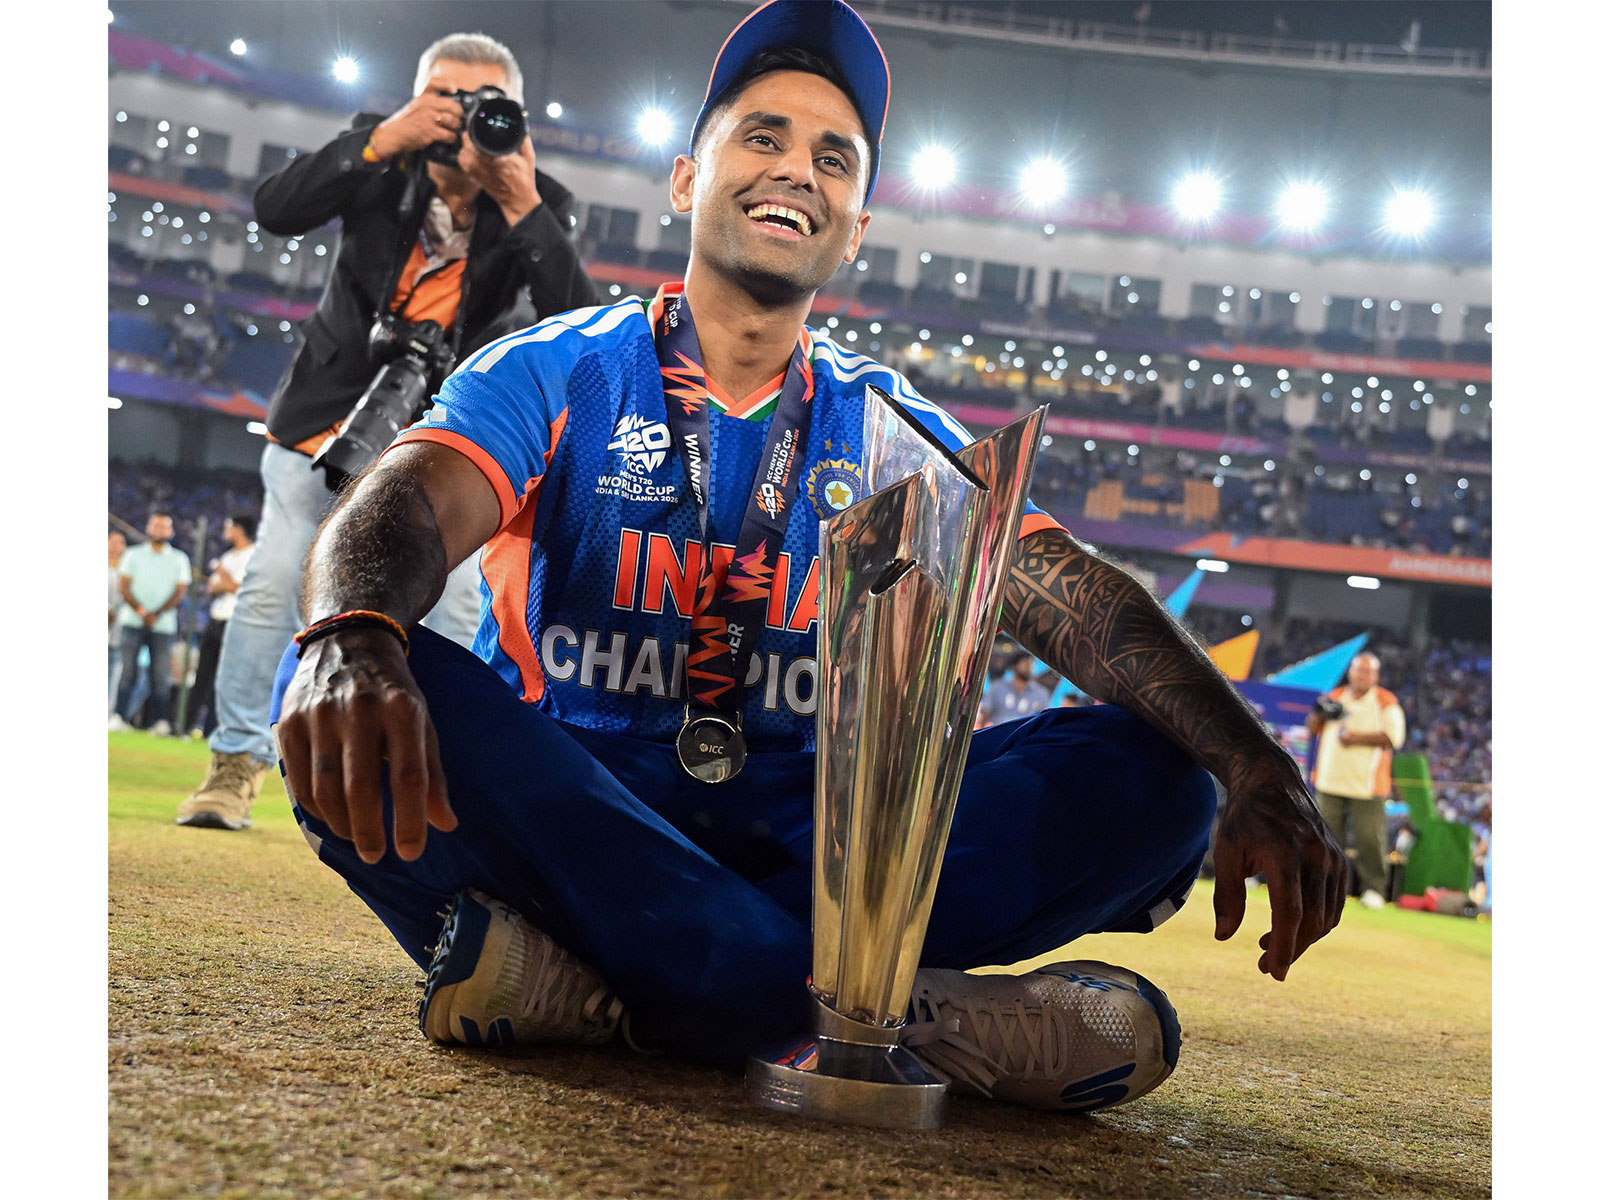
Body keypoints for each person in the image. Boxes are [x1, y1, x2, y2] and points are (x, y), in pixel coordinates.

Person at [272, 0, 1345, 1115]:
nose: (797, 171)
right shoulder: (557, 367)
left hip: (816, 832)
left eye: (834, 158)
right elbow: (403, 499)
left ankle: (607, 988)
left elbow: (1066, 596)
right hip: (588, 796)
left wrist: (1252, 761)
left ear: (855, 228)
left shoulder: (888, 425)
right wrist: (352, 634)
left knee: (1165, 772)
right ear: (688, 179)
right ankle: (902, 1014)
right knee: (348, 691)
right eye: (764, 137)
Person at [177, 31, 600, 832]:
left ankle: (435, 792)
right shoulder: (378, 157)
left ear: (510, 116)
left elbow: (579, 328)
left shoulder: (536, 198)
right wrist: (379, 139)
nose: (461, 119)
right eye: (446, 98)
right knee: (271, 587)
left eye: (484, 105)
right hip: (325, 417)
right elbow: (275, 207)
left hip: (441, 447)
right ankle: (234, 766)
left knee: (451, 611)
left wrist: (520, 202)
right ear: (417, 98)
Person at [1306, 652, 1406, 910]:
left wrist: (1356, 738)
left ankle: (1374, 889)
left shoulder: (1385, 701)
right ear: (1350, 672)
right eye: (1357, 670)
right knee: (1327, 838)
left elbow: (1394, 738)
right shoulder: (1336, 695)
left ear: (1375, 676)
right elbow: (1312, 727)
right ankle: (1324, 888)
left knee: (1369, 838)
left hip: (1367, 785)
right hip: (1330, 780)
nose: (1361, 676)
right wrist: (1320, 713)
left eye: (1367, 671)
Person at [110, 513, 191, 735]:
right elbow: (124, 585)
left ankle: (159, 722)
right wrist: (142, 611)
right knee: (127, 672)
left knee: (160, 675)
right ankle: (119, 716)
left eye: (164, 527)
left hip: (163, 626)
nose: (159, 530)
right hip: (132, 621)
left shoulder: (179, 559)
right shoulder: (133, 555)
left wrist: (157, 613)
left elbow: (180, 590)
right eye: (156, 525)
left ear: (171, 532)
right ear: (148, 528)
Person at [179, 515, 257, 743]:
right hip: (216, 618)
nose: (225, 530)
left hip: (235, 621)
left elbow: (238, 587)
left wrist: (223, 577)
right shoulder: (227, 556)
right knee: (202, 674)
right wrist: (224, 582)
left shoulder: (252, 555)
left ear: (240, 529)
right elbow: (212, 589)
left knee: (222, 679)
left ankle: (212, 729)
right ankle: (184, 726)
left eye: (229, 526)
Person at [977, 653, 1053, 728]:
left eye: (1031, 664)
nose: (1029, 667)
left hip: (1025, 737)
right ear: (1014, 667)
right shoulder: (997, 687)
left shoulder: (1041, 693)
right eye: (1025, 663)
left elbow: (1045, 719)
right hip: (999, 734)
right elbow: (985, 713)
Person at [108, 530, 128, 716]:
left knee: (115, 675)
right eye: (112, 541)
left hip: (118, 632)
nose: (115, 546)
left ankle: (109, 713)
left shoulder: (127, 568)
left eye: (120, 542)